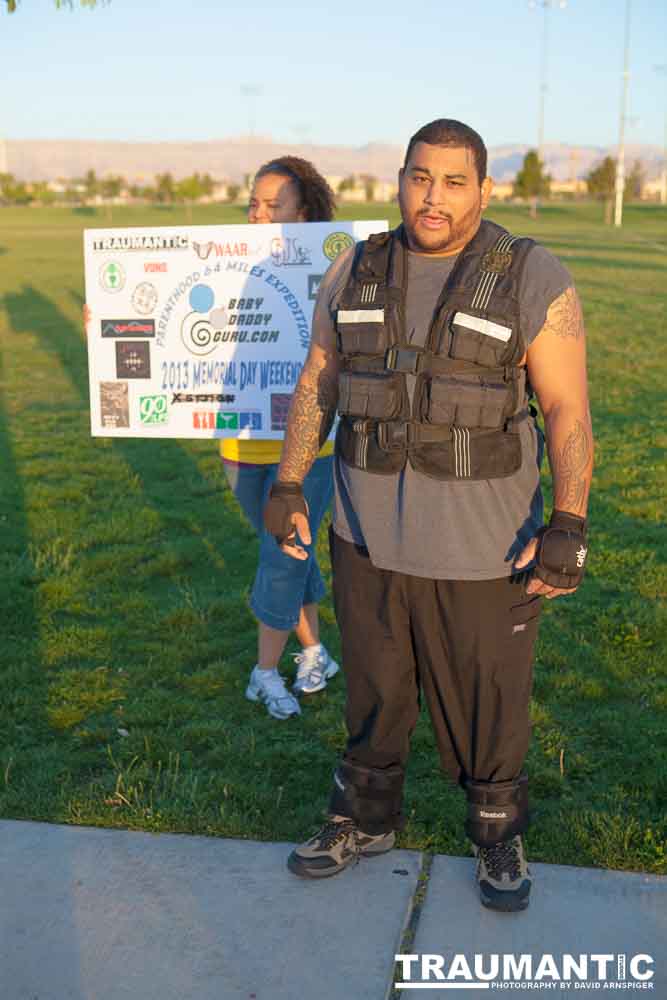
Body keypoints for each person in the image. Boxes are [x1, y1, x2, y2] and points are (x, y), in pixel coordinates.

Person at [263, 120, 593, 911]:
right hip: (365, 538)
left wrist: (568, 525)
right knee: (373, 694)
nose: (432, 197)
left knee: (488, 702)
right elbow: (319, 376)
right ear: (401, 180)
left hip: (488, 551)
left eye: (452, 181)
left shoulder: (530, 275)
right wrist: (285, 484)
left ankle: (497, 836)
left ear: (483, 189)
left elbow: (564, 407)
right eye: (419, 177)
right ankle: (363, 818)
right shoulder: (356, 268)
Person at [221, 156, 339, 721]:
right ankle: (314, 649)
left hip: (310, 449)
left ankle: (263, 672)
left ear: (305, 213)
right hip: (239, 448)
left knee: (282, 556)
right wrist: (108, 321)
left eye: (274, 206)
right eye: (253, 204)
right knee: (291, 554)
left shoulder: (334, 270)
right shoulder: (220, 266)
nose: (259, 215)